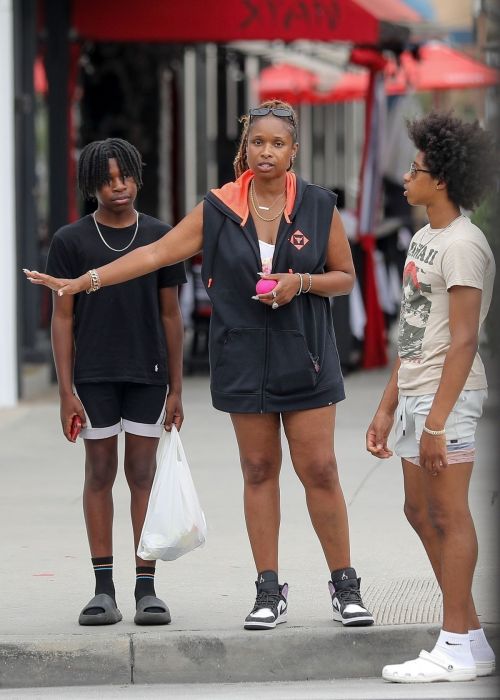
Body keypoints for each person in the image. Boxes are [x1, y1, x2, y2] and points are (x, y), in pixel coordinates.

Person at [25, 101, 373, 631]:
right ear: (245, 148)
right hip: (241, 360)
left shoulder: (320, 206)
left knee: (319, 469)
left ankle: (345, 585)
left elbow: (344, 277)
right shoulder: (218, 208)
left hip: (305, 357)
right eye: (258, 143)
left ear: (293, 151)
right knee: (258, 471)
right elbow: (154, 254)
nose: (267, 152)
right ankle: (267, 590)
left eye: (278, 144)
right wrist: (84, 282)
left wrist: (299, 283)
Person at [366, 112, 496, 682]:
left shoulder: (465, 246)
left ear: (440, 180)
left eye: (415, 170)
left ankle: (454, 645)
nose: (404, 177)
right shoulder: (423, 238)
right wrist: (388, 403)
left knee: (448, 513)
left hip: (450, 398)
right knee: (419, 511)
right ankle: (469, 638)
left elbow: (465, 340)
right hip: (417, 392)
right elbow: (415, 329)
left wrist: (438, 420)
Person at [39, 138, 186, 626]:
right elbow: (62, 318)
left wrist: (178, 388)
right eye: (105, 179)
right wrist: (65, 391)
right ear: (90, 184)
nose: (117, 186)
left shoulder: (163, 237)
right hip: (93, 377)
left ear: (137, 177)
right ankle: (103, 590)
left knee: (141, 476)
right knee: (99, 475)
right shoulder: (70, 241)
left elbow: (171, 316)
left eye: (124, 175)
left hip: (147, 374)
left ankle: (147, 588)